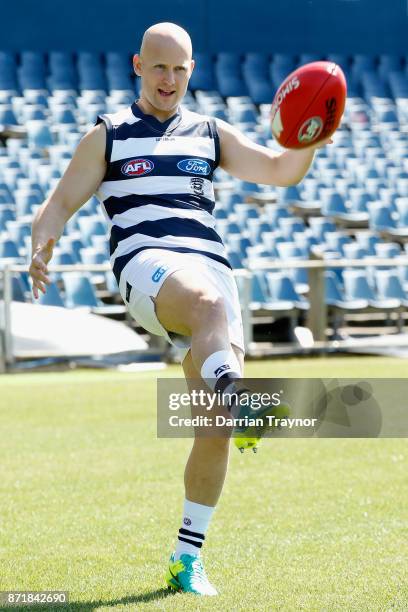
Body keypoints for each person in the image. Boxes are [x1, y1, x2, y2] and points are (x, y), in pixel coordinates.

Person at [29, 22, 332, 596]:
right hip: (148, 265)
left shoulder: (210, 132)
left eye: (180, 69)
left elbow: (277, 169)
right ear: (138, 66)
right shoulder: (110, 133)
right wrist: (44, 241)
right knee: (207, 304)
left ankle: (185, 558)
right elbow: (60, 201)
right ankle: (243, 401)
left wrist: (311, 138)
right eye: (159, 67)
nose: (170, 79)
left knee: (212, 428)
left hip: (212, 270)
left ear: (192, 72)